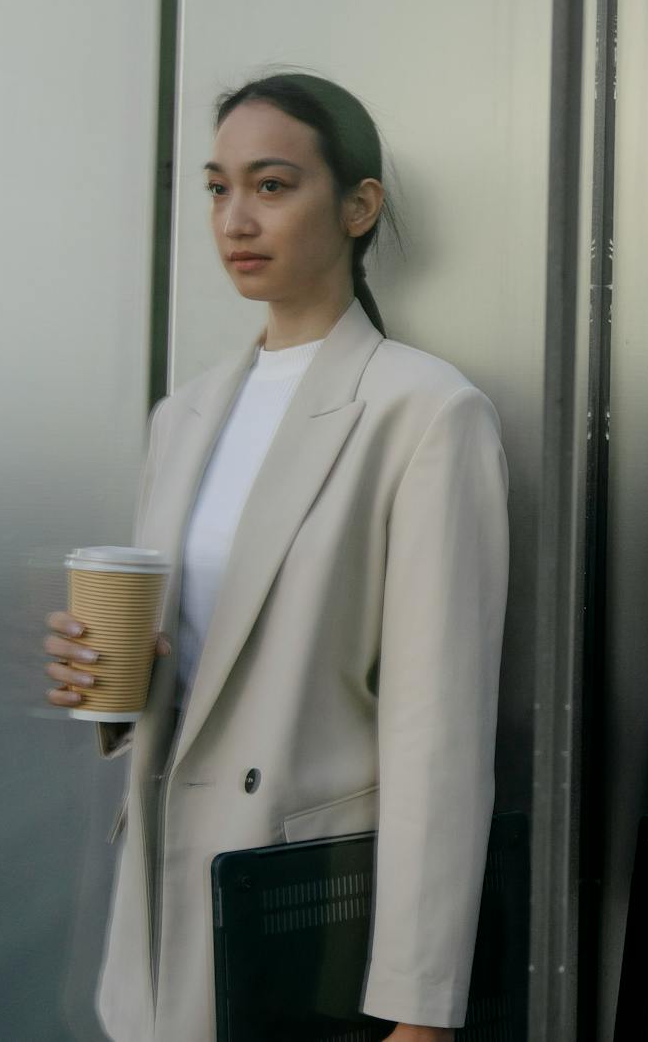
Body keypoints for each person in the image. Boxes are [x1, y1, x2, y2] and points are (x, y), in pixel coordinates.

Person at [41, 72, 510, 1042]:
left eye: (272, 184)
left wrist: (417, 1008)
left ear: (358, 205)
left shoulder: (425, 413)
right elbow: (204, 675)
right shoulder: (187, 413)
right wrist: (108, 683)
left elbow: (440, 733)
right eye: (217, 188)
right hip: (164, 907)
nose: (235, 219)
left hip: (303, 912)